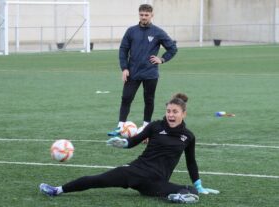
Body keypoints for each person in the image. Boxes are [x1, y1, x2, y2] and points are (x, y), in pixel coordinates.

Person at [39, 93, 219, 204]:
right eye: (168, 111)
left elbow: (191, 162)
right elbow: (134, 141)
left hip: (155, 181)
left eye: (175, 112)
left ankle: (179, 198)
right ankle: (57, 190)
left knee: (191, 191)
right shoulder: (155, 126)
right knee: (97, 179)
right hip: (136, 171)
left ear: (183, 113)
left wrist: (199, 185)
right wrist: (123, 143)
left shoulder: (188, 136)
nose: (171, 115)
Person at [108, 4, 178, 136]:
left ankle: (146, 128)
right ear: (139, 15)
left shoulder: (158, 32)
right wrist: (124, 68)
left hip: (150, 73)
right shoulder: (131, 31)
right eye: (142, 15)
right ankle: (120, 126)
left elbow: (172, 48)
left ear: (152, 15)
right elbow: (123, 50)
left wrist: (162, 59)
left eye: (146, 15)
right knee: (126, 98)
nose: (144, 17)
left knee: (149, 100)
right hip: (132, 72)